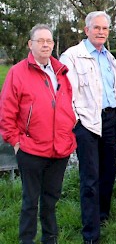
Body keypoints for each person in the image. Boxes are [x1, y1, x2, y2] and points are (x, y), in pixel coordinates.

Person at [0, 24, 76, 244]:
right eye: (40, 40)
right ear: (30, 44)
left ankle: (50, 239)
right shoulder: (18, 72)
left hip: (60, 149)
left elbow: (68, 105)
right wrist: (15, 142)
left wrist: (70, 129)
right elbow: (7, 112)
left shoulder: (61, 71)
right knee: (30, 201)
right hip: (30, 149)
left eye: (49, 41)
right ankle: (27, 240)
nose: (45, 44)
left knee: (51, 200)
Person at [60, 11, 116, 244]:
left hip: (110, 120)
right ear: (86, 30)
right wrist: (76, 123)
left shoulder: (110, 58)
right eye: (96, 28)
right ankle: (91, 234)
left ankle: (102, 216)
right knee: (90, 177)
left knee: (108, 172)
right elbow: (66, 94)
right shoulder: (72, 56)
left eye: (105, 28)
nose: (101, 32)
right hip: (86, 122)